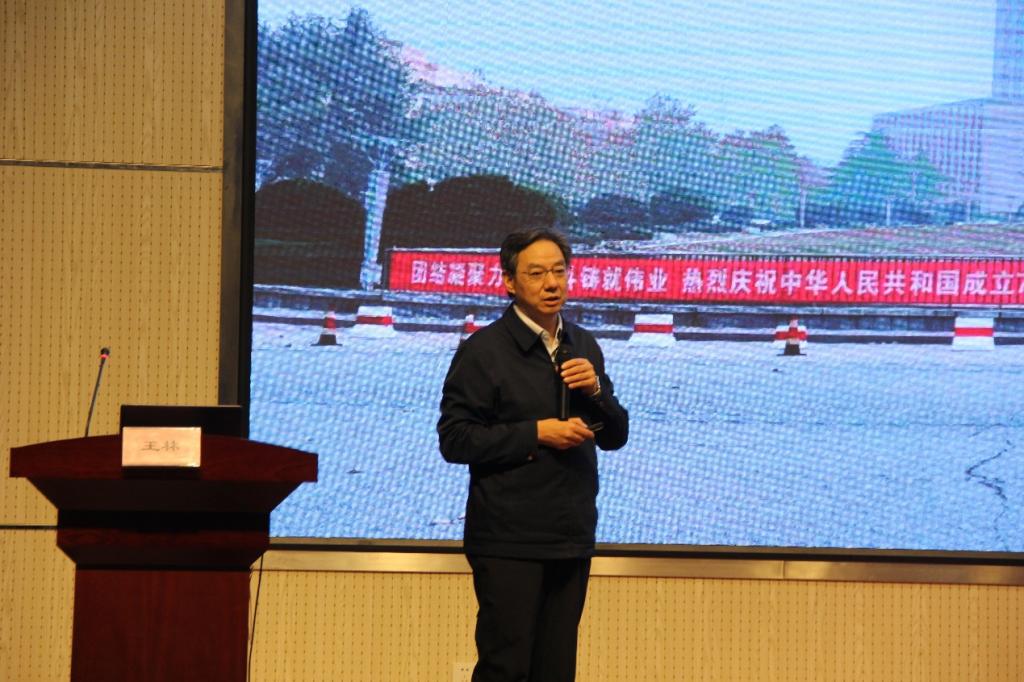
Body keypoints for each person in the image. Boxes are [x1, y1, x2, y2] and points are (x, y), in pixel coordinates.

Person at [438, 226, 629, 682]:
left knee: (557, 669)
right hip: (508, 537)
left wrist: (597, 392)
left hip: (571, 532)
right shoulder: (483, 351)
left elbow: (615, 436)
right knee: (506, 667)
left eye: (559, 272)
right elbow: (455, 439)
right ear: (509, 281)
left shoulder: (583, 344)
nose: (551, 284)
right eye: (537, 273)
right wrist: (536, 434)